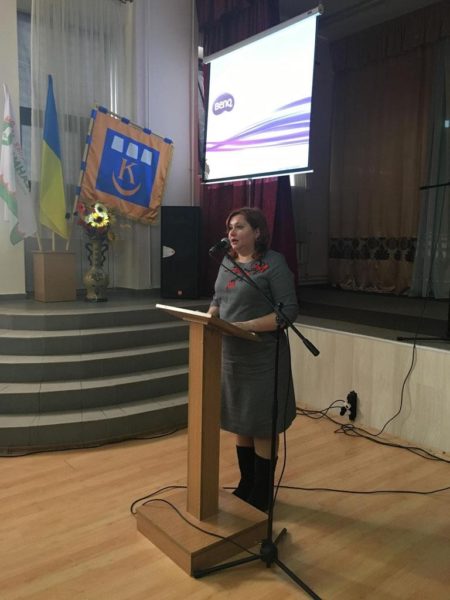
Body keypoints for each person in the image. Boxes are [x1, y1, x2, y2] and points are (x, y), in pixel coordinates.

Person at [208, 206, 299, 512]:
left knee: (261, 424)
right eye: (229, 227)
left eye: (239, 226)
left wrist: (245, 326)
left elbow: (288, 311)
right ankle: (246, 483)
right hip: (232, 356)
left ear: (257, 232)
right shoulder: (227, 262)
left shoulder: (273, 263)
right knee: (241, 421)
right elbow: (218, 299)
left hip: (263, 357)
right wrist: (210, 317)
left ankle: (262, 492)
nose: (231, 232)